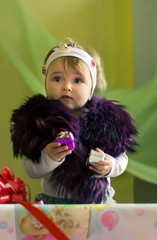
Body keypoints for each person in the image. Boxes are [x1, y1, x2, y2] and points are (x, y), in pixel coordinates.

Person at [10, 38, 138, 204]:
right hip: (55, 203)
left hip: (98, 203)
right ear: (46, 85)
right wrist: (49, 156)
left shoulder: (106, 123)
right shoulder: (40, 122)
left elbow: (122, 158)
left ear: (91, 91)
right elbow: (31, 170)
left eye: (77, 81)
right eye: (57, 79)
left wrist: (111, 165)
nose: (67, 86)